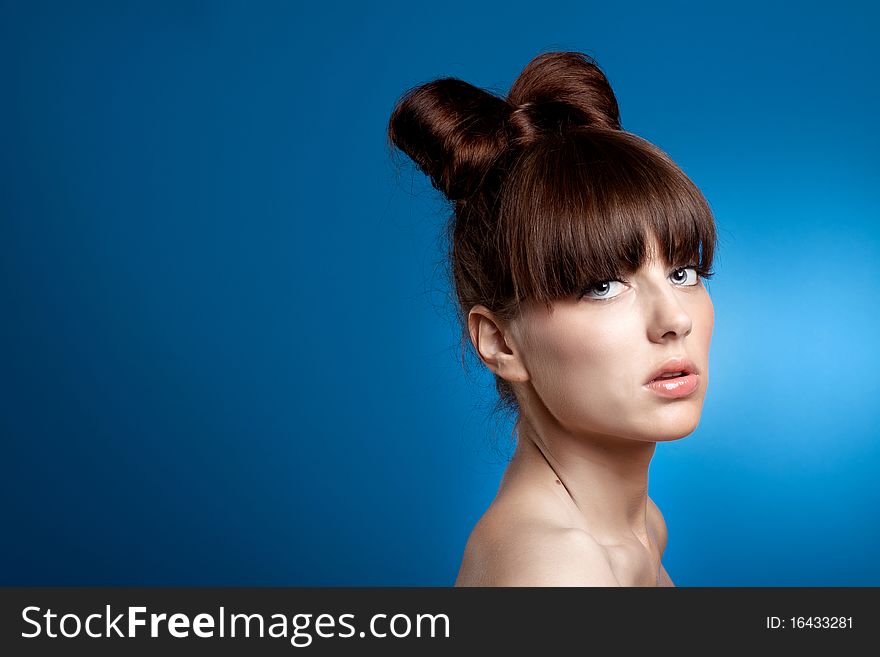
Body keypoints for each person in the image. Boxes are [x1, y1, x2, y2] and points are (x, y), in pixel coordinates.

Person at [387, 51, 717, 586]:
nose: (674, 318)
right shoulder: (555, 571)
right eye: (603, 286)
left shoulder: (638, 530)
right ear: (501, 344)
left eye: (683, 273)